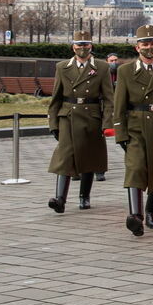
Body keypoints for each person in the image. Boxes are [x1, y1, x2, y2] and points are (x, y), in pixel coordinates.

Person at [111, 25, 153, 235]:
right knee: (135, 168)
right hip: (136, 126)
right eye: (145, 44)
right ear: (137, 47)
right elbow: (119, 105)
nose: (149, 47)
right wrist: (120, 133)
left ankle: (151, 213)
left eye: (152, 43)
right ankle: (135, 215)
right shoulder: (126, 71)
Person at [47, 30, 113, 213]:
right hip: (68, 115)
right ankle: (60, 198)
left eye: (85, 45)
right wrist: (53, 123)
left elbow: (109, 98)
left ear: (91, 46)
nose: (82, 48)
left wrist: (108, 123)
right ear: (73, 46)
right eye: (79, 45)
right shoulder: (62, 67)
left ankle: (84, 196)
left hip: (91, 115)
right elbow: (56, 98)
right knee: (65, 155)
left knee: (88, 158)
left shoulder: (101, 67)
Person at [99, 53, 121, 181]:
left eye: (116, 60)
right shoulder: (102, 72)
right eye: (111, 60)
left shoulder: (122, 72)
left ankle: (99, 170)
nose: (114, 62)